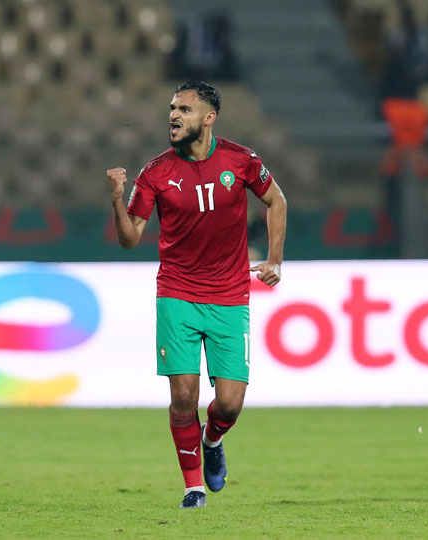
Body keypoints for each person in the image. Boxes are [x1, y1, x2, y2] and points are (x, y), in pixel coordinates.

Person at [106, 81, 287, 509]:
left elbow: (276, 200)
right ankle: (193, 488)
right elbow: (130, 238)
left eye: (184, 110)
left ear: (208, 118)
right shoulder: (155, 173)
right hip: (177, 293)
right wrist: (116, 200)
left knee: (229, 404)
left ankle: (212, 439)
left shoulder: (241, 161)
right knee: (184, 396)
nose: (173, 115)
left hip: (230, 295)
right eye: (172, 108)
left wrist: (275, 260)